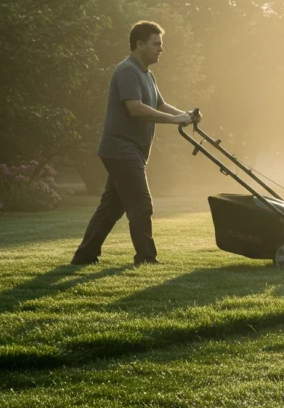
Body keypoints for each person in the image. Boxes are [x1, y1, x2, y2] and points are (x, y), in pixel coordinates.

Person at [70, 21, 199, 266]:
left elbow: (159, 105)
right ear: (139, 44)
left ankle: (84, 255)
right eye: (156, 44)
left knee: (111, 208)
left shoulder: (146, 74)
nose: (160, 49)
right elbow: (136, 108)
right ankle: (146, 258)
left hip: (132, 150)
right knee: (141, 204)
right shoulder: (127, 71)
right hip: (121, 148)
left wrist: (186, 115)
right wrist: (174, 120)